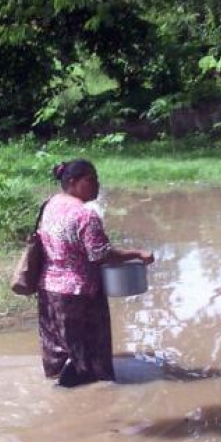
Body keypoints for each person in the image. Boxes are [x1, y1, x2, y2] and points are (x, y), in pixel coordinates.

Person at [37, 159, 154, 387]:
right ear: (72, 182)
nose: (97, 185)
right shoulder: (85, 215)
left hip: (48, 290)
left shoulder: (50, 204)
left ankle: (58, 388)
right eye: (90, 180)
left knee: (58, 350)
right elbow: (101, 255)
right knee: (89, 357)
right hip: (79, 294)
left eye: (97, 180)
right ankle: (81, 403)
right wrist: (137, 253)